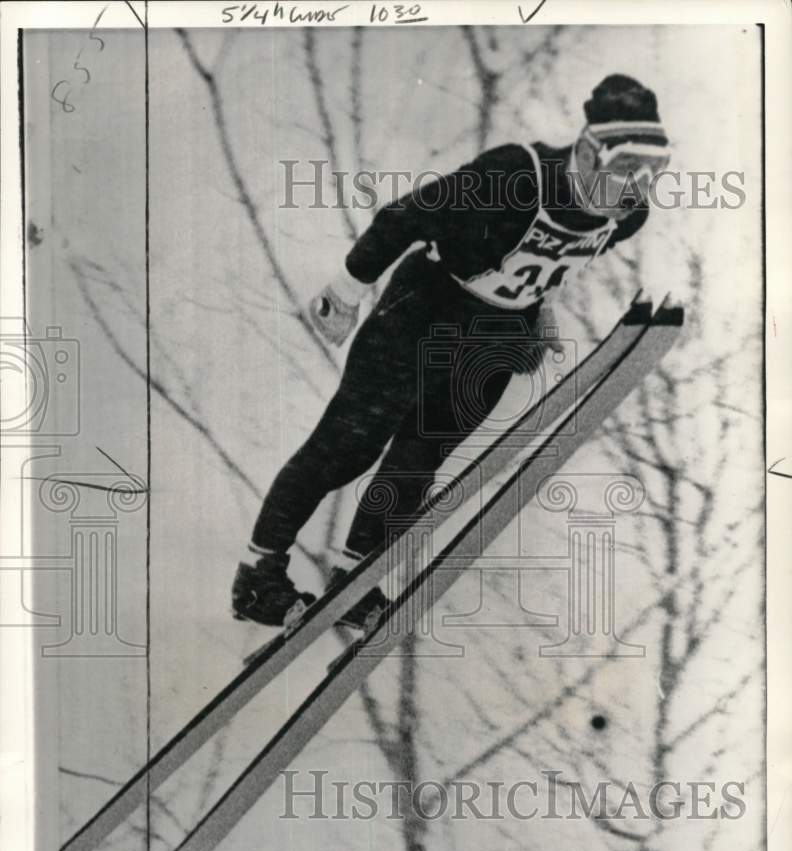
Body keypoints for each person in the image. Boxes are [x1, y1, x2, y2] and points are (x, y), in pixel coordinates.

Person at [232, 74, 671, 628]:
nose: (637, 188)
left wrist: (539, 312)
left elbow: (552, 262)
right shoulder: (515, 174)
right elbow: (405, 217)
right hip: (425, 311)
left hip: (495, 337)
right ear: (589, 150)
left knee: (419, 460)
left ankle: (356, 577)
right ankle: (258, 574)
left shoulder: (628, 217)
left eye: (654, 172)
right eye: (628, 167)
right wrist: (346, 291)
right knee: (349, 446)